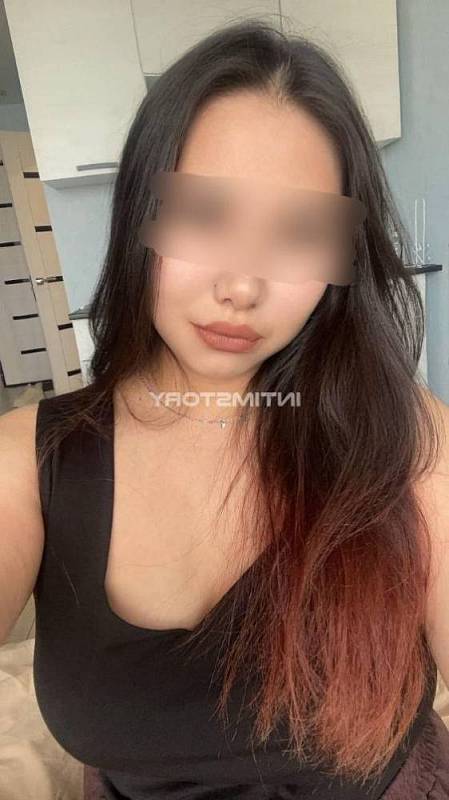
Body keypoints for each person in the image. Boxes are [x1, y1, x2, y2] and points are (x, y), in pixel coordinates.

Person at [1, 18, 449, 800]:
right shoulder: (28, 461)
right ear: (142, 215)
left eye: (299, 231)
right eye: (204, 215)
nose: (241, 285)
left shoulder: (406, 434)